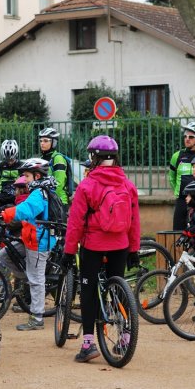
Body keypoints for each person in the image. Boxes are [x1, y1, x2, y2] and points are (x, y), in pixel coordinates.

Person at [61, 135, 140, 362]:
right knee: (118, 287)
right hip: (121, 245)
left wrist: (69, 251)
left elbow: (76, 223)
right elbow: (134, 221)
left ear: (94, 158)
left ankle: (88, 344)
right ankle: (125, 337)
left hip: (94, 246)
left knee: (88, 290)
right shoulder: (128, 185)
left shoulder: (87, 185)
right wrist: (133, 249)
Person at [0, 158, 57, 331]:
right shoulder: (39, 190)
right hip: (30, 238)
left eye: (27, 175)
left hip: (39, 241)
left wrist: (5, 215)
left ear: (37, 176)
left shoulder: (39, 193)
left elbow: (27, 210)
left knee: (37, 279)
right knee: (4, 255)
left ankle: (37, 318)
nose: (25, 179)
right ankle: (29, 279)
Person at [38, 127, 71, 206]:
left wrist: (47, 197)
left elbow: (59, 183)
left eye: (46, 141)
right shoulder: (41, 159)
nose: (42, 143)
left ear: (54, 142)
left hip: (58, 201)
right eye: (41, 141)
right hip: (45, 200)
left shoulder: (58, 158)